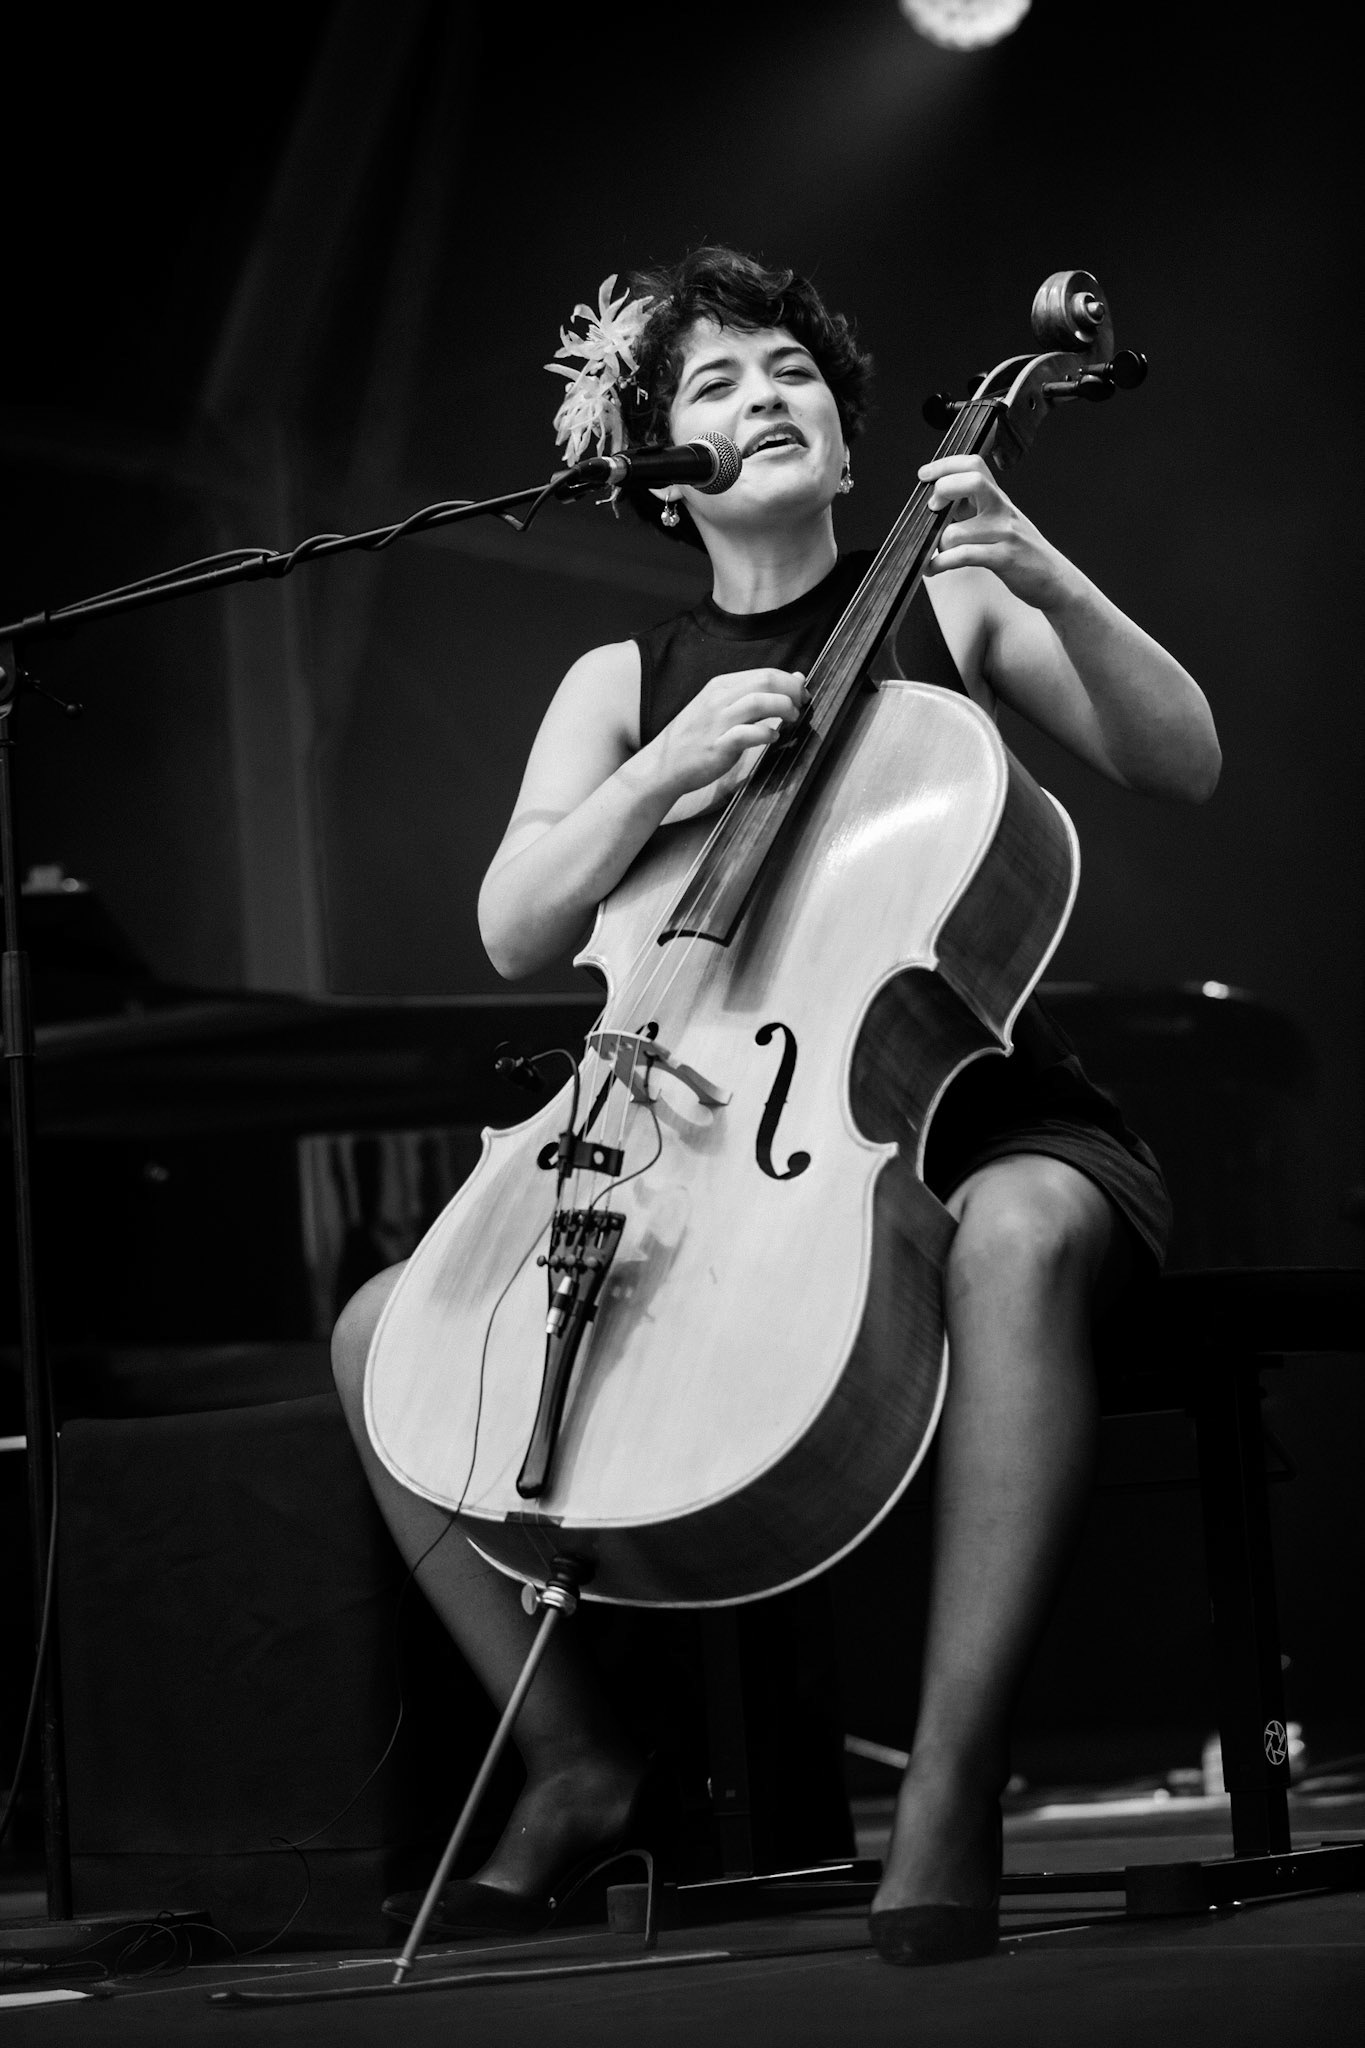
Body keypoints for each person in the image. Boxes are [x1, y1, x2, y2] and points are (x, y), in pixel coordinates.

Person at [331, 247, 1220, 1965]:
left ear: (846, 426)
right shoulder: (619, 683)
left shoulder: (951, 610)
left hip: (970, 1118)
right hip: (695, 1142)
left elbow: (1179, 757)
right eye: (719, 382)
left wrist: (1042, 567)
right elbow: (516, 924)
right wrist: (666, 770)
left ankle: (951, 1782)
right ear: (661, 469)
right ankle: (577, 1762)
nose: (767, 396)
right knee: (383, 1332)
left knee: (1019, 1232)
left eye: (792, 370)